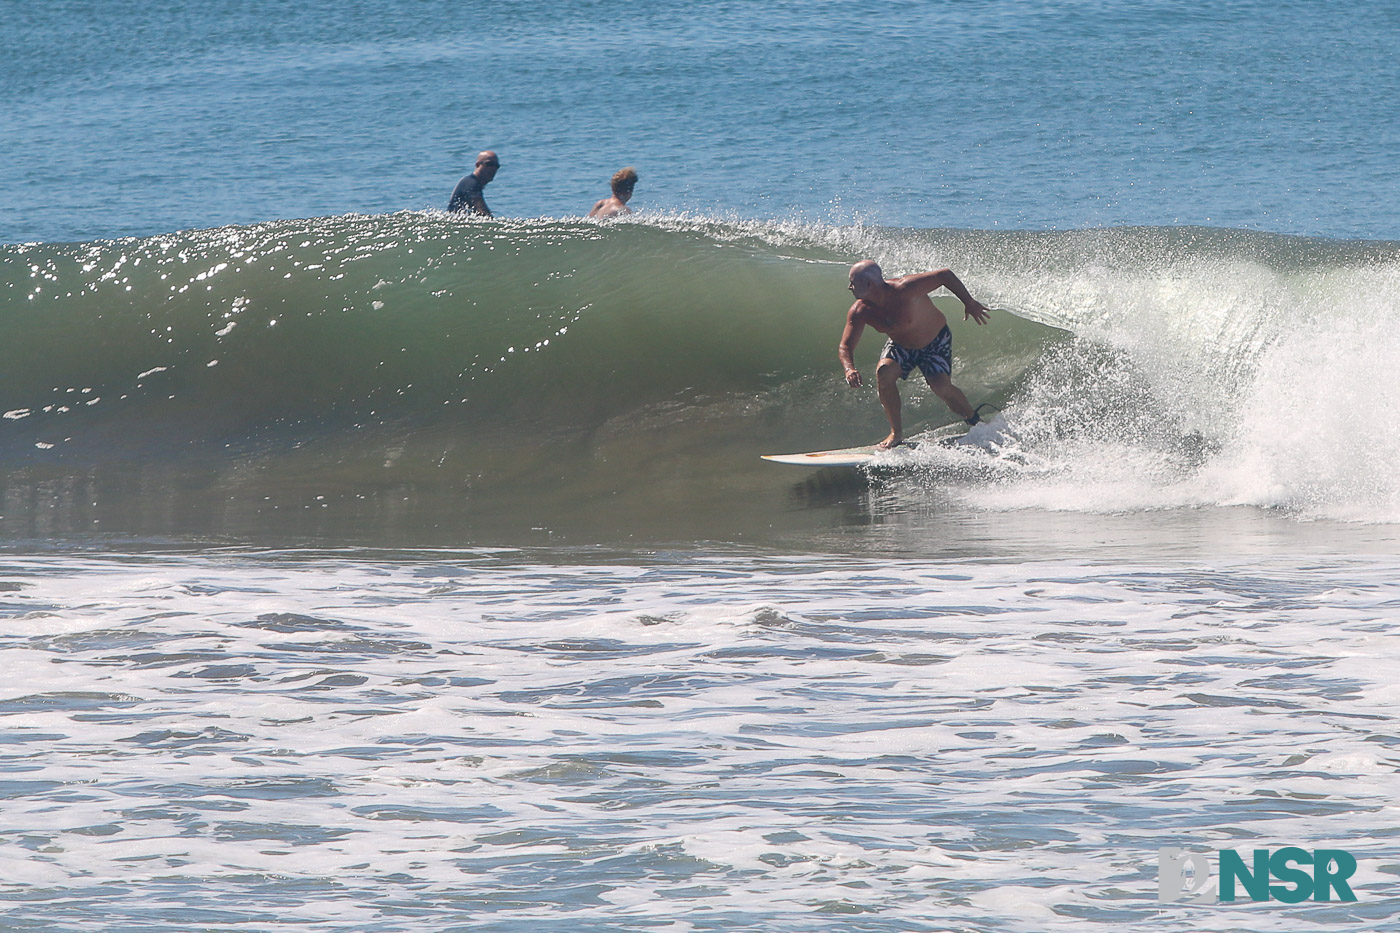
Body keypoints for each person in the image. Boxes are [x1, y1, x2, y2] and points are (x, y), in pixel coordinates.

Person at [837, 260, 991, 449]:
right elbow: (845, 346)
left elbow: (944, 275)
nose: (849, 287)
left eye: (853, 282)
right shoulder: (860, 311)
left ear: (869, 284)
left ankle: (975, 421)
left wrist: (969, 302)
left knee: (941, 387)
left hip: (935, 341)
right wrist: (849, 368)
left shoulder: (905, 288)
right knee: (884, 373)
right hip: (900, 345)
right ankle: (896, 433)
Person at [447, 151, 500, 216]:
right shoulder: (471, 184)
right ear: (477, 165)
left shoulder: (472, 182)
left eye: (497, 166)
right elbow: (484, 212)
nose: (493, 169)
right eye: (489, 164)